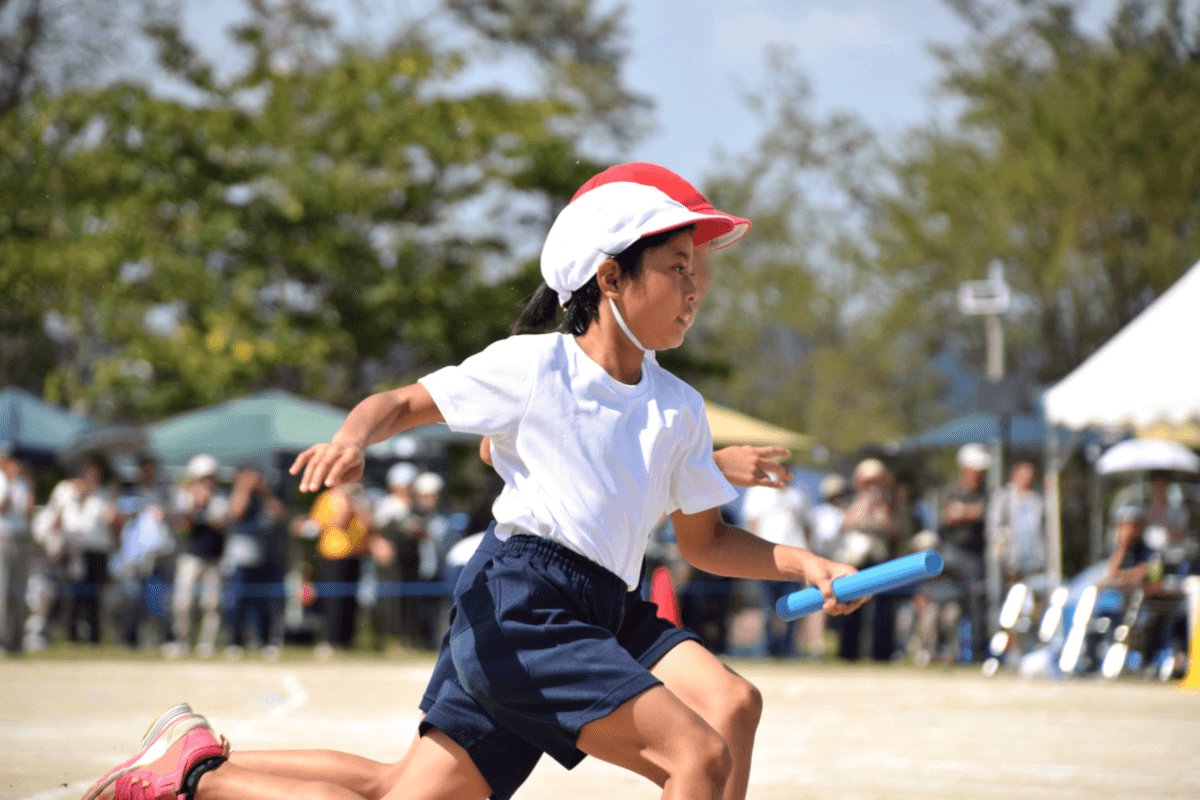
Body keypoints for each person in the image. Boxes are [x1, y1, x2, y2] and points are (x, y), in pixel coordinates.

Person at [88, 176, 867, 800]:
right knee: (695, 752)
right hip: (523, 603)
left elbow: (708, 543)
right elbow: (399, 403)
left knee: (732, 706)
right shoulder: (536, 367)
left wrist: (805, 564)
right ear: (610, 276)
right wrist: (353, 439)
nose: (695, 289)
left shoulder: (679, 407)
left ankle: (187, 775)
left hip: (606, 609)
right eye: (676, 270)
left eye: (698, 274)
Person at [741, 469, 811, 658]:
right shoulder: (758, 492)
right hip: (767, 557)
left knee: (793, 606)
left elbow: (806, 528)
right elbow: (752, 525)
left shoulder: (798, 496)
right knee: (767, 608)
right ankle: (768, 649)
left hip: (794, 558)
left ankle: (788, 650)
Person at [165, 454, 228, 659]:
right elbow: (182, 528)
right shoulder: (184, 496)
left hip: (213, 557)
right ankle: (181, 641)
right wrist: (194, 506)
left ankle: (206, 644)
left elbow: (222, 524)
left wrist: (207, 503)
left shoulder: (220, 498)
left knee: (211, 603)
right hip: (190, 555)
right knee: (182, 602)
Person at [836, 458, 900, 661]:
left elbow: (892, 530)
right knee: (851, 609)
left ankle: (881, 653)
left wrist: (880, 507)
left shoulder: (887, 503)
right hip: (856, 559)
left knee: (882, 609)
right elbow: (846, 524)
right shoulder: (852, 502)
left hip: (878, 557)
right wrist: (865, 503)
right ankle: (848, 653)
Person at [222, 465, 288, 658]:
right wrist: (243, 487)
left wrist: (264, 492)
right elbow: (235, 512)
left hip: (267, 557)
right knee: (236, 602)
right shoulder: (235, 494)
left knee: (265, 602)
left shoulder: (266, 498)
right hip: (242, 559)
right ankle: (235, 641)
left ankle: (266, 641)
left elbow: (278, 513)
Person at [307, 481, 378, 655]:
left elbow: (368, 525)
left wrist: (358, 505)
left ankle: (346, 641)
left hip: (356, 555)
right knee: (332, 601)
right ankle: (329, 640)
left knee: (350, 602)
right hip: (332, 556)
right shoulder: (328, 499)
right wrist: (345, 502)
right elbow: (339, 522)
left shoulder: (361, 500)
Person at [938, 442, 992, 660]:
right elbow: (946, 516)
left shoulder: (986, 492)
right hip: (953, 554)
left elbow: (985, 512)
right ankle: (943, 649)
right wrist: (970, 512)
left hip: (977, 556)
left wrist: (964, 512)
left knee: (979, 599)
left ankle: (977, 650)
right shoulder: (951, 490)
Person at [60, 453, 118, 645]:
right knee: (74, 596)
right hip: (76, 550)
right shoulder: (71, 495)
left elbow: (110, 520)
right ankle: (72, 636)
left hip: (97, 552)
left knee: (94, 596)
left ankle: (94, 637)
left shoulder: (104, 496)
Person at [372, 461, 419, 648]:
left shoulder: (415, 505)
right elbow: (375, 530)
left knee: (410, 598)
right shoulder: (387, 505)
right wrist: (379, 544)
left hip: (410, 557)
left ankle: (407, 637)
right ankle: (389, 637)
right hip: (391, 558)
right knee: (391, 597)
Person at [987, 461, 1046, 588]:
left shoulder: (1036, 500)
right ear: (1014, 475)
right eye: (1022, 474)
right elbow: (994, 526)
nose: (1025, 478)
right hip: (1009, 558)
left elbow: (1040, 530)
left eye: (1029, 475)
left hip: (1032, 558)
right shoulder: (1003, 497)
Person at [0, 446, 34, 654]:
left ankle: (17, 642)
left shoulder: (24, 483)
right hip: (4, 538)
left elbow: (28, 512)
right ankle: (2, 641)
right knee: (2, 591)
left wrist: (28, 485)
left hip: (22, 539)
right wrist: (10, 483)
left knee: (19, 591)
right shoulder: (3, 481)